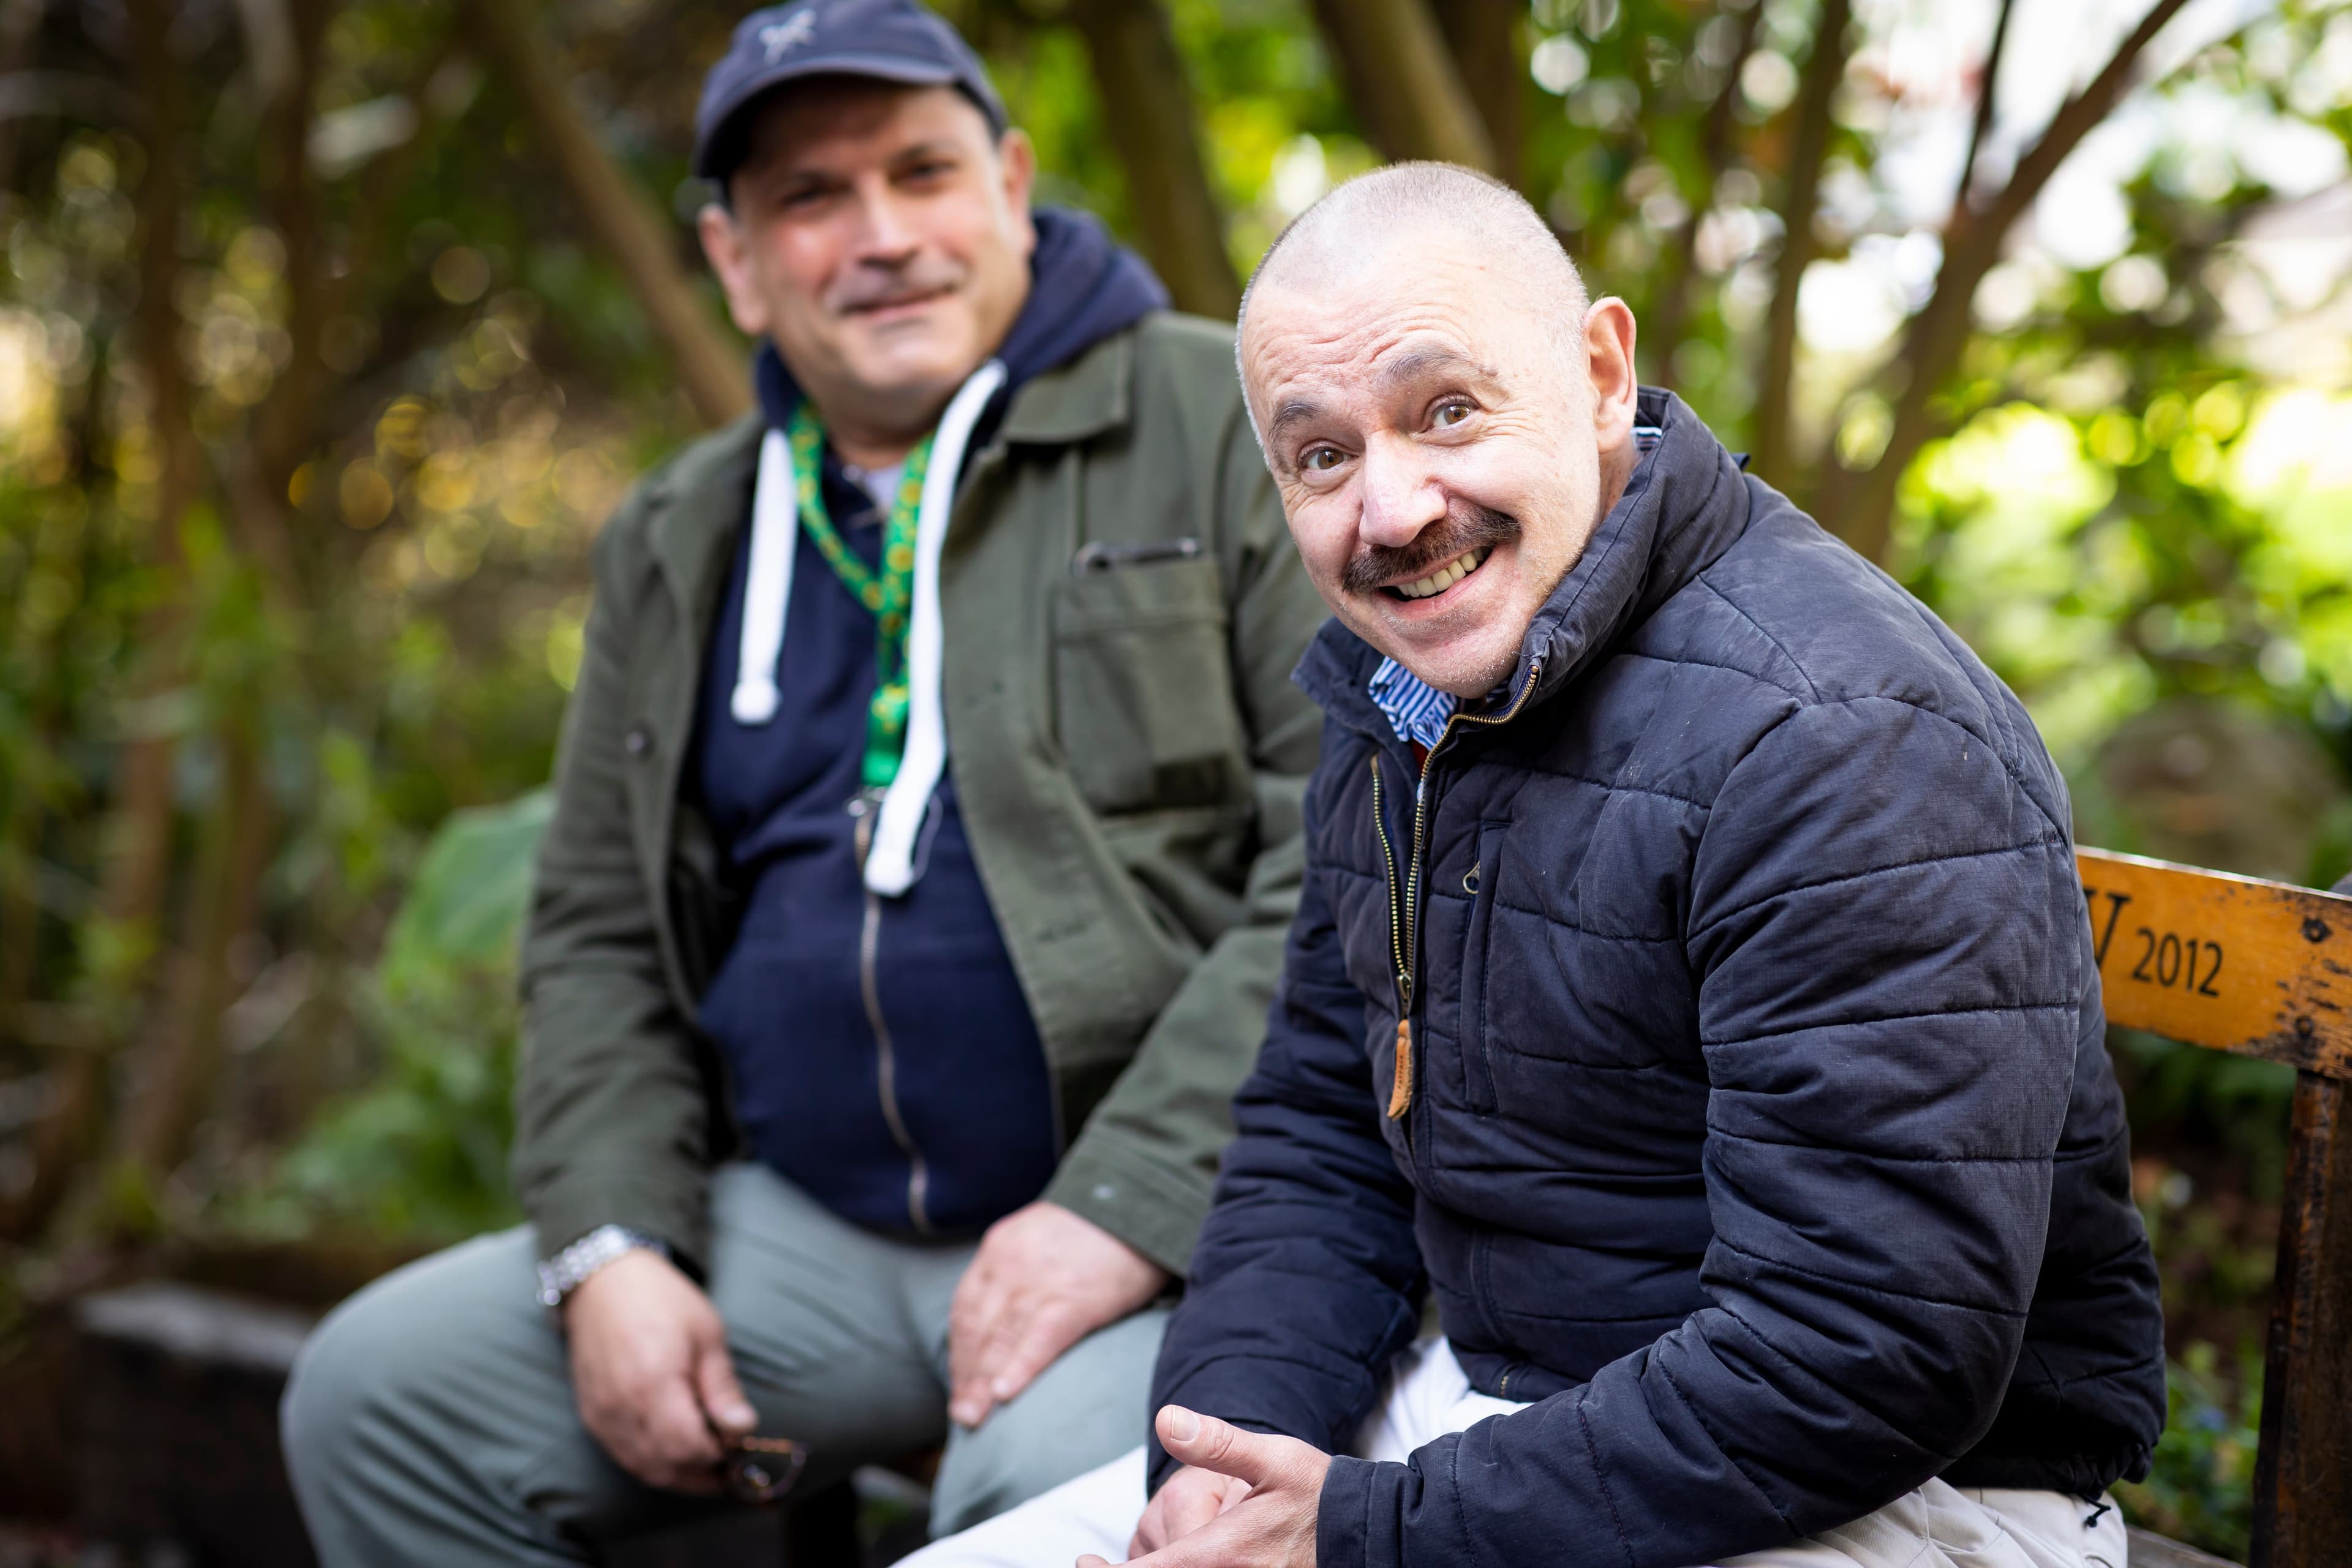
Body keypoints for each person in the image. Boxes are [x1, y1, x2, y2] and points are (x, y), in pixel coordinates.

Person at [905, 162, 2166, 1568]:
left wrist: (1362, 1534)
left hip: (1909, 1498)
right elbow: (1322, 1132)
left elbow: (1862, 1352)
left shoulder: (1846, 738)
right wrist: (1224, 1454)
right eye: (1321, 455)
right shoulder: (1400, 699)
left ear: (1601, 373)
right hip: (1508, 1425)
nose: (1392, 510)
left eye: (1447, 409)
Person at [279, 3, 1328, 1560]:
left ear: (1011, 183)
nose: (883, 236)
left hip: (1177, 1216)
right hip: (806, 1229)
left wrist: (1128, 1200)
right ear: (736, 259)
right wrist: (612, 1244)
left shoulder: (1221, 420)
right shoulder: (680, 532)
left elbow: (1346, 861)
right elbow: (598, 931)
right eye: (813, 197)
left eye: (923, 173)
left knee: (1035, 1517)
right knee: (379, 1399)